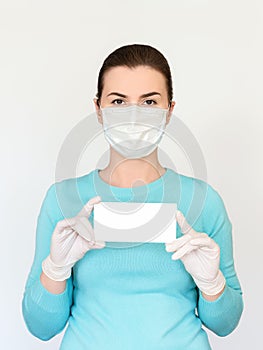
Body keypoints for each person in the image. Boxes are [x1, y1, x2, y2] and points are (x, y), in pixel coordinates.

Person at [22, 44, 244, 350]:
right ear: (98, 110)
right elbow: (41, 327)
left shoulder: (203, 201)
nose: (134, 115)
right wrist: (56, 269)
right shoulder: (64, 200)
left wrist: (212, 284)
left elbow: (226, 324)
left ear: (170, 111)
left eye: (149, 101)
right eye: (118, 101)